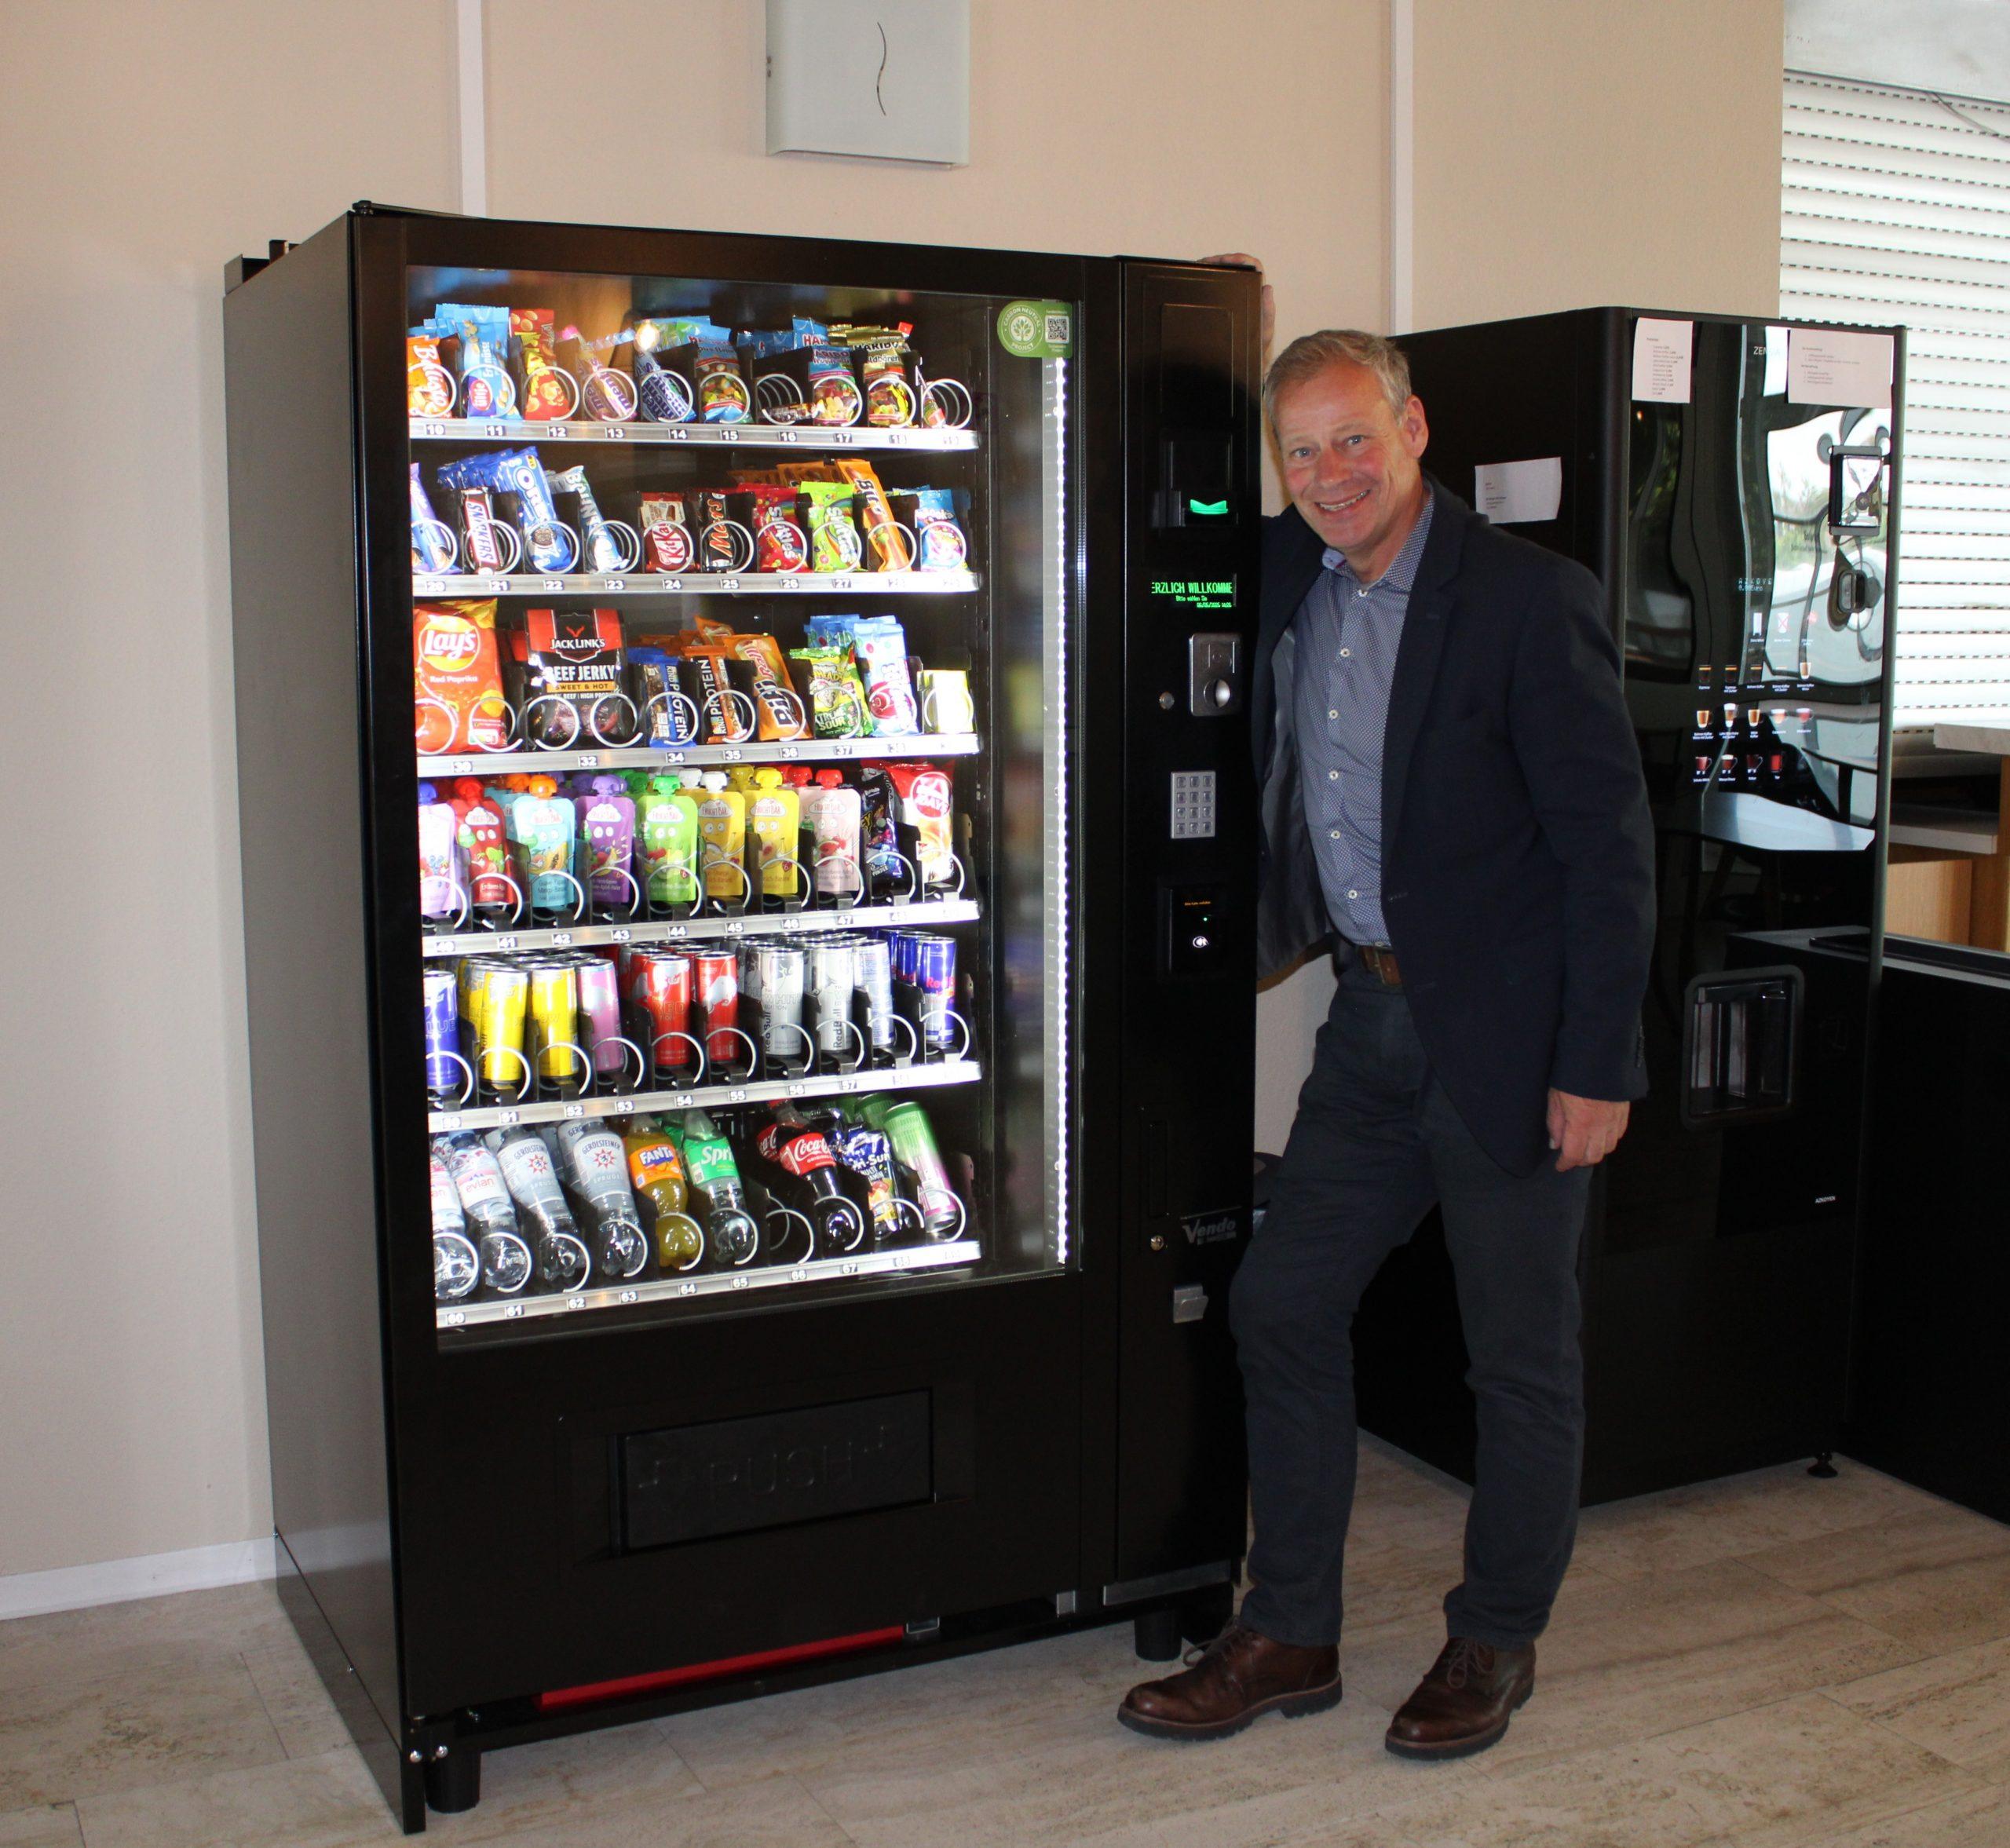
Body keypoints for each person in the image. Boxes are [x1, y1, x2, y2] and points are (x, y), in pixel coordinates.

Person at [1119, 292, 1655, 1760]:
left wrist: (1598, 1064)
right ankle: (1290, 1627)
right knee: (1281, 1302)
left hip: (1517, 1038)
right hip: (1371, 1019)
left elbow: (1612, 852)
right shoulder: (1296, 569)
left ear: (1417, 431)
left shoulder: (1528, 600)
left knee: (1516, 1360)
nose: (1333, 472)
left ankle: (1495, 1635)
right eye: (1305, 451)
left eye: (1356, 439)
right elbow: (1187, 545)